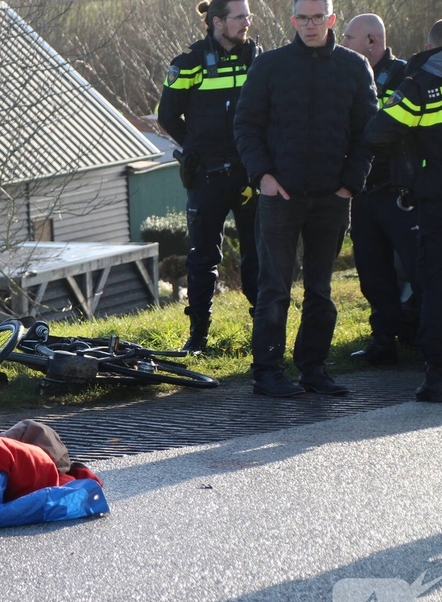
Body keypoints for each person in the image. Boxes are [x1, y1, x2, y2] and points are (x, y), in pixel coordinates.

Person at [234, 0, 377, 397]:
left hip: (332, 196)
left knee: (320, 290)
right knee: (274, 287)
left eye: (317, 18)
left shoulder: (353, 66)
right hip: (280, 194)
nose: (310, 25)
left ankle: (313, 368)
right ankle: (267, 372)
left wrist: (349, 185)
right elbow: (245, 125)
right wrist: (263, 176)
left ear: (331, 20)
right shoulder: (270, 66)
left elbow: (367, 133)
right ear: (293, 20)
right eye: (303, 18)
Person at [365, 19, 442, 403]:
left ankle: (437, 378)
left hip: (439, 203)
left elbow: (379, 132)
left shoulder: (420, 84)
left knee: (435, 288)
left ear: (430, 47)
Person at [158, 0, 260, 354]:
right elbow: (167, 116)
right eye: (240, 17)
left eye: (248, 16)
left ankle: (264, 329)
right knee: (202, 257)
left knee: (257, 254)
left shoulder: (257, 58)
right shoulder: (190, 61)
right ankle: (198, 335)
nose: (247, 23)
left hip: (250, 172)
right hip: (207, 175)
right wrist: (195, 149)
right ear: (218, 22)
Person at [341, 14, 420, 366]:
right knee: (372, 271)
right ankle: (384, 340)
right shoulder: (349, 76)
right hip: (364, 190)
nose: (343, 43)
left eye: (349, 38)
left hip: (398, 191)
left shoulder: (405, 76)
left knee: (418, 268)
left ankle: (428, 339)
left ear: (371, 41)